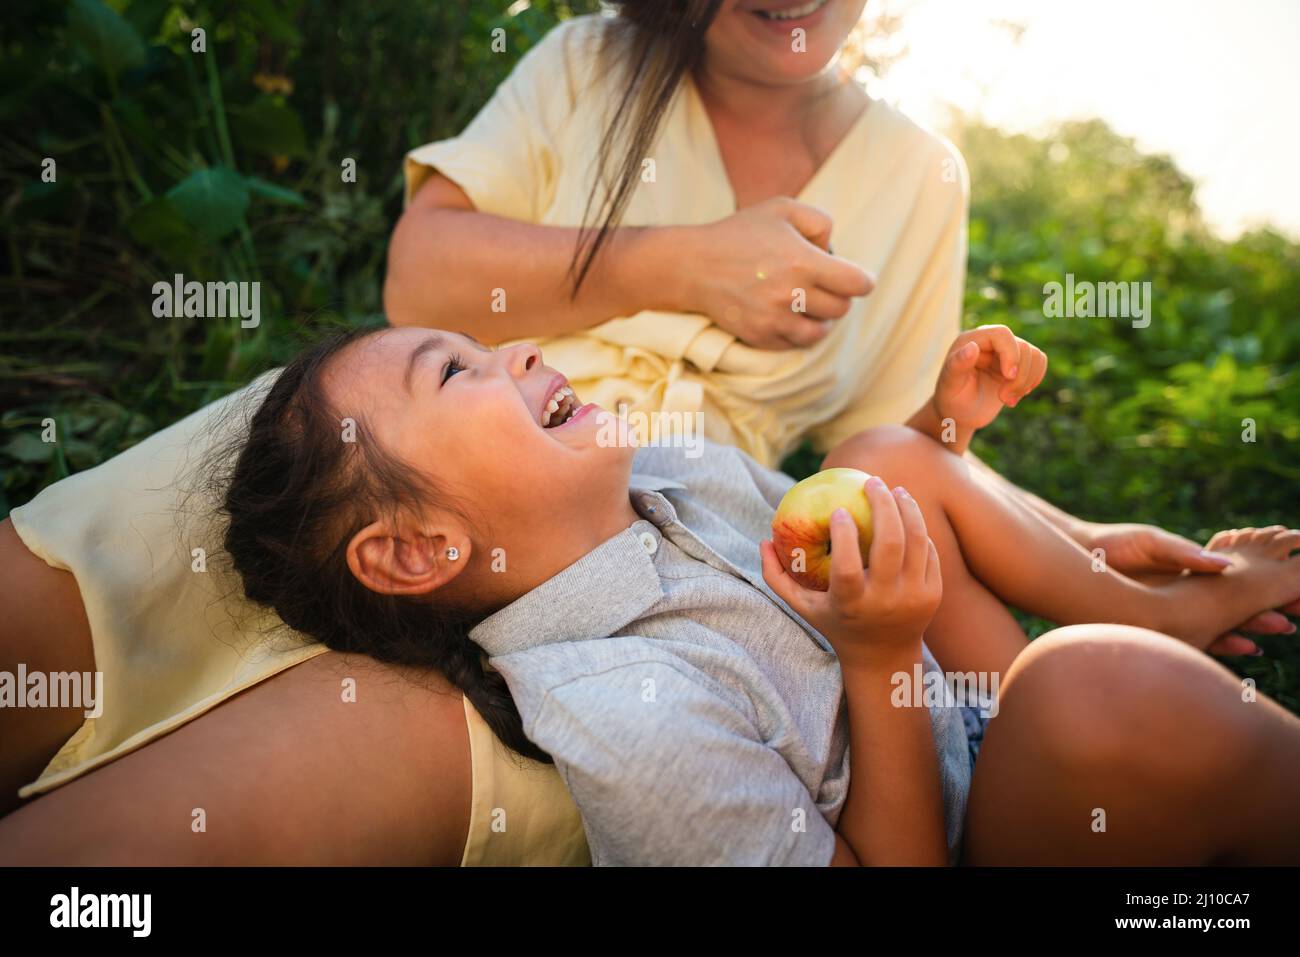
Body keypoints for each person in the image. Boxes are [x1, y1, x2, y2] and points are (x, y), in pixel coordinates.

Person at [7, 325, 1299, 864]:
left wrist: (938, 432)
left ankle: (1148, 594)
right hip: (961, 826)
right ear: (418, 550)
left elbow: (834, 532)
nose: (512, 347)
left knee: (886, 458)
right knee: (1088, 694)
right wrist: (883, 658)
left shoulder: (674, 471)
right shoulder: (619, 717)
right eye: (458, 373)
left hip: (955, 706)